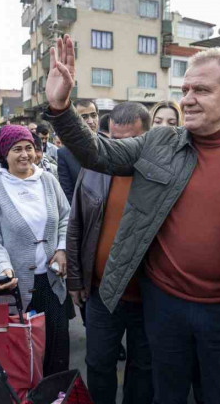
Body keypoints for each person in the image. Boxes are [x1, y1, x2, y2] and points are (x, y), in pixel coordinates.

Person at [44, 36, 220, 404]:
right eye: (185, 88)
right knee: (167, 394)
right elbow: (98, 153)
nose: (187, 98)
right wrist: (61, 107)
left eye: (202, 90)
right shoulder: (159, 142)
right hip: (164, 306)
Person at [67, 102, 153, 404]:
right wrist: (76, 280)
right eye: (113, 141)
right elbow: (75, 223)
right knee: (99, 364)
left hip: (150, 297)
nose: (119, 149)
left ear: (147, 136)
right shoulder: (94, 168)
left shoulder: (163, 177)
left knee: (143, 368)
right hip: (102, 294)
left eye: (129, 141)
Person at [0, 125, 72, 376]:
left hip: (51, 282)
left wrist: (62, 249)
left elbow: (66, 218)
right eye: (16, 149)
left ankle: (55, 396)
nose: (24, 154)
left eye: (29, 148)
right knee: (18, 355)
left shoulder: (48, 181)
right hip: (12, 287)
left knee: (56, 349)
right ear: (4, 154)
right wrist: (3, 268)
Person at [57, 99, 98, 202]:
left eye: (93, 115)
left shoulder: (110, 145)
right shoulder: (64, 154)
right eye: (84, 117)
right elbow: (68, 194)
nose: (90, 121)